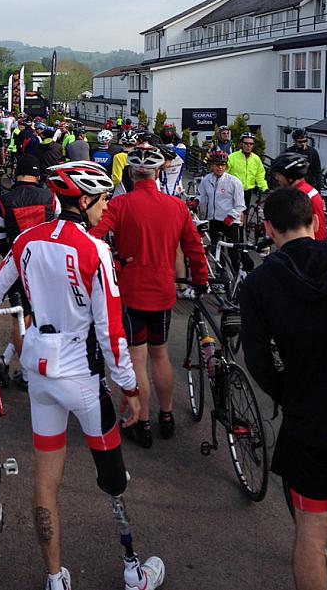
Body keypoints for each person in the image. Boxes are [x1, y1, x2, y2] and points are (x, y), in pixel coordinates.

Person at [0, 161, 165, 590]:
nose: (105, 207)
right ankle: (132, 568)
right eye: (102, 200)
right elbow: (112, 332)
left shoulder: (28, 241)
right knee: (111, 477)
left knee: (45, 481)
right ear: (84, 200)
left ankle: (55, 578)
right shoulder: (95, 250)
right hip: (83, 378)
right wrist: (130, 388)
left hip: (41, 371)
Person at [239, 188, 327, 590]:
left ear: (268, 229)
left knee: (311, 534)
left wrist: (285, 393)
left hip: (309, 420)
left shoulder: (259, 283)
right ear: (314, 221)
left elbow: (258, 360)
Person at [91, 144, 208, 448]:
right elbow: (195, 248)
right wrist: (201, 280)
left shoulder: (119, 205)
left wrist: (117, 263)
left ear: (131, 172)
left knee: (137, 359)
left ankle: (140, 421)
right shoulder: (177, 206)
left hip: (132, 292)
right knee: (161, 355)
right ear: (159, 172)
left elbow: (94, 240)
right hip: (164, 291)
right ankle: (166, 416)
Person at [0, 154, 60, 390]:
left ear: (17, 174)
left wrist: (10, 261)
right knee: (47, 316)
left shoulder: (4, 200)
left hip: (18, 267)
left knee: (21, 320)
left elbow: (0, 238)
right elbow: (59, 229)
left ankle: (26, 373)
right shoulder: (51, 198)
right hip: (48, 266)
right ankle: (46, 366)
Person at [189, 150, 245, 266]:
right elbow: (203, 196)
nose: (220, 167)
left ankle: (237, 275)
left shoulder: (234, 182)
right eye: (217, 165)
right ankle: (221, 274)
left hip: (230, 221)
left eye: (223, 165)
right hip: (214, 220)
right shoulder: (207, 180)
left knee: (232, 252)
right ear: (211, 166)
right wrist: (196, 201)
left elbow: (240, 204)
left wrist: (232, 216)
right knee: (216, 250)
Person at [271, 152, 327, 241]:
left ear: (290, 176)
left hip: (307, 246)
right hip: (317, 243)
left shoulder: (297, 195)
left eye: (279, 174)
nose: (277, 178)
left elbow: (289, 227)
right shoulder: (308, 189)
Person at [226, 132, 268, 208]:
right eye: (246, 143)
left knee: (245, 213)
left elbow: (260, 174)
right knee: (233, 214)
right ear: (241, 144)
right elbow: (224, 174)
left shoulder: (256, 159)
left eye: (251, 144)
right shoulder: (232, 157)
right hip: (233, 191)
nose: (248, 145)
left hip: (248, 191)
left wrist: (264, 187)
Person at [112, 130, 138, 195]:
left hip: (122, 190)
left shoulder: (118, 157)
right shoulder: (138, 156)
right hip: (135, 189)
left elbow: (117, 178)